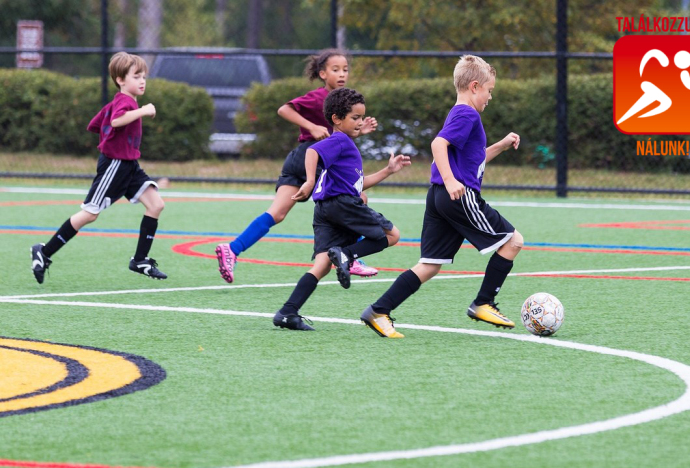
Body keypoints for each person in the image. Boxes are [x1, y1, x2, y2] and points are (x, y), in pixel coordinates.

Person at [359, 55, 523, 339]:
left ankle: (378, 310)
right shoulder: (467, 114)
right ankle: (483, 302)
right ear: (474, 86)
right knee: (513, 242)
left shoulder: (458, 113)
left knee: (430, 265)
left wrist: (500, 146)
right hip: (456, 196)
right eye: (489, 90)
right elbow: (438, 144)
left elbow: (472, 160)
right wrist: (451, 180)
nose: (490, 97)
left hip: (438, 197)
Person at [215, 49, 379, 283]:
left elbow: (337, 138)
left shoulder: (342, 103)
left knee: (277, 213)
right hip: (310, 158)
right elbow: (284, 109)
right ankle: (351, 258)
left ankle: (232, 249)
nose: (342, 74)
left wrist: (359, 131)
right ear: (323, 73)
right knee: (357, 198)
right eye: (335, 70)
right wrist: (310, 126)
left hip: (299, 159)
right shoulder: (318, 97)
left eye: (345, 69)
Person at [273, 87, 411, 331]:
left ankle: (288, 312)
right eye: (355, 118)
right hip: (343, 205)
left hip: (325, 210)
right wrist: (308, 180)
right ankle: (347, 255)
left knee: (322, 264)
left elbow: (360, 183)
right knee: (393, 235)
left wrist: (388, 171)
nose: (359, 123)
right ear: (337, 119)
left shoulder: (345, 144)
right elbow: (313, 150)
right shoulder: (338, 141)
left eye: (361, 118)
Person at [30, 51, 167, 284]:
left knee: (156, 205)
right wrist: (143, 111)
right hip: (115, 165)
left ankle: (140, 260)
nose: (142, 80)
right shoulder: (125, 102)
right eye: (136, 76)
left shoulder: (120, 102)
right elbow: (115, 121)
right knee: (90, 214)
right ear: (121, 80)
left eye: (143, 75)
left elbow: (96, 124)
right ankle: (44, 252)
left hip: (129, 165)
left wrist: (110, 133)